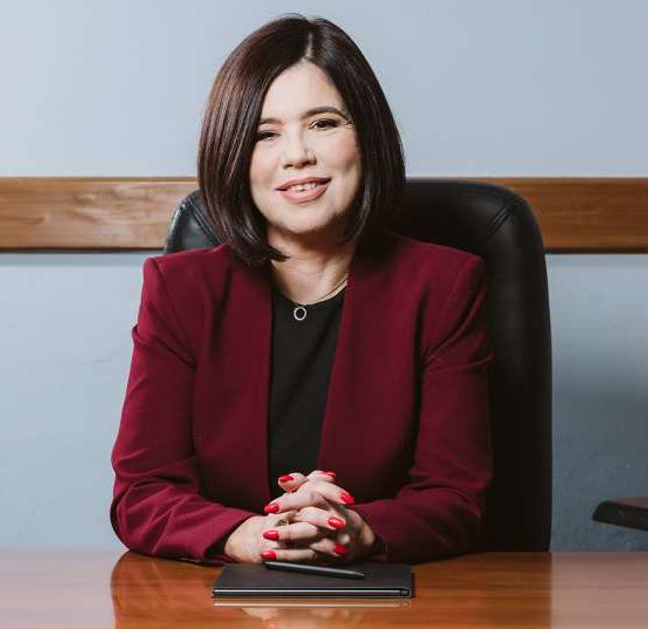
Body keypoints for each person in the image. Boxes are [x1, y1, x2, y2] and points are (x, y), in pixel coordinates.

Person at [109, 15, 492, 565]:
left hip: (392, 598)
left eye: (323, 124)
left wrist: (360, 531)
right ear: (234, 157)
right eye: (265, 134)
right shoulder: (181, 290)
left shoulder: (443, 286)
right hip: (213, 598)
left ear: (367, 136)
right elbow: (141, 493)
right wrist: (249, 535)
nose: (297, 155)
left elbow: (455, 497)